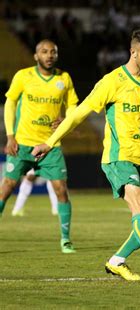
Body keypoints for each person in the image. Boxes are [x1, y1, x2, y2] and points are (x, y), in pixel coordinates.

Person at [32, 29, 140, 283]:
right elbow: (78, 114)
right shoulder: (112, 81)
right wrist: (50, 142)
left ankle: (116, 261)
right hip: (119, 157)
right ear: (133, 52)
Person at [1, 39, 78, 254]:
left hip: (50, 146)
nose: (49, 55)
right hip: (22, 144)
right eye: (44, 52)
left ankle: (65, 239)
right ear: (36, 56)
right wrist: (10, 136)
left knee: (61, 190)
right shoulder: (23, 76)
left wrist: (65, 119)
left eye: (53, 51)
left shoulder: (64, 78)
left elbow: (73, 106)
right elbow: (10, 102)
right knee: (6, 188)